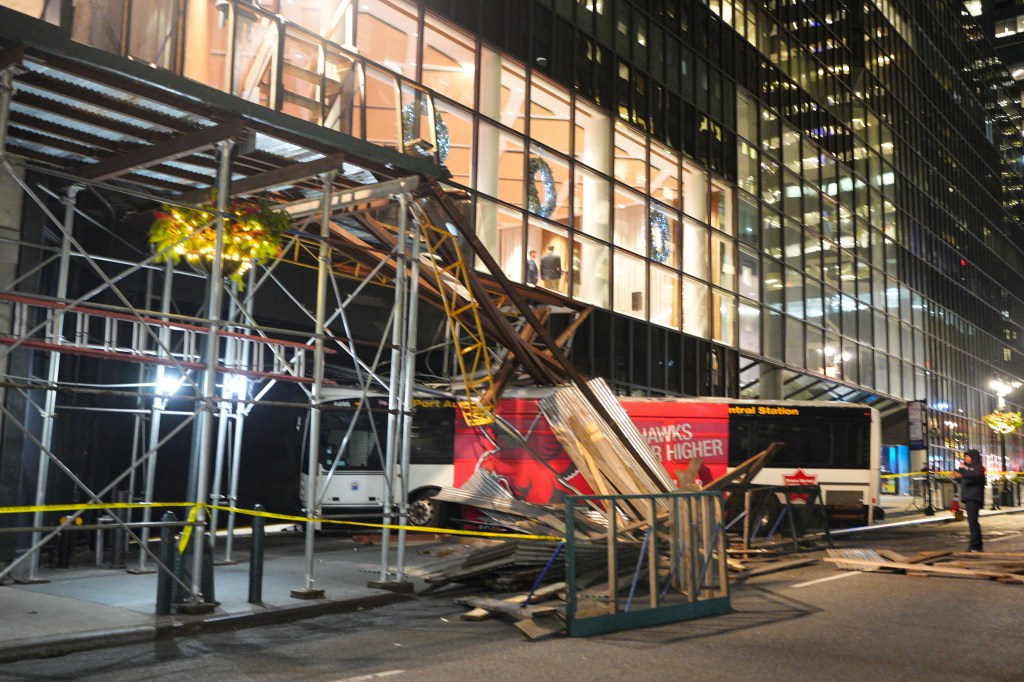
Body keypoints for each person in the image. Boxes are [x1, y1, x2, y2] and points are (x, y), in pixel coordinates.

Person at [952, 449, 985, 552]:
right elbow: (960, 477)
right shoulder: (966, 468)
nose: (965, 458)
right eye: (965, 457)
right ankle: (977, 545)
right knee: (972, 522)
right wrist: (957, 475)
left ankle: (975, 546)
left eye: (967, 456)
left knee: (973, 522)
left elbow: (975, 474)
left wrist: (964, 470)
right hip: (968, 497)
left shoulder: (978, 467)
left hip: (974, 498)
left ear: (973, 457)